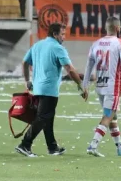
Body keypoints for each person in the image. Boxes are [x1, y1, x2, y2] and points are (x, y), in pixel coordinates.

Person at [15, 23, 88, 157]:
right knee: (43, 117)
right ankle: (25, 144)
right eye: (62, 34)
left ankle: (52, 147)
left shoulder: (37, 45)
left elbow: (25, 62)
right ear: (55, 34)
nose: (64, 37)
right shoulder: (57, 48)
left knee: (47, 118)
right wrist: (80, 85)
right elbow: (69, 69)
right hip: (49, 89)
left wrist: (27, 81)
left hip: (37, 88)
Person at [82, 17, 121, 157]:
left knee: (113, 116)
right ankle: (93, 145)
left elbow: (89, 66)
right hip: (112, 86)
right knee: (108, 115)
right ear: (118, 28)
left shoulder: (96, 44)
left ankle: (119, 147)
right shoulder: (120, 43)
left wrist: (85, 86)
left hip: (100, 85)